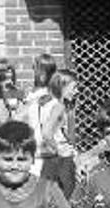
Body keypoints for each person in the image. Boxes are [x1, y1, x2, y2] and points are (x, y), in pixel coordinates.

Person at [40, 69, 79, 198]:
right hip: (62, 158)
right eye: (74, 87)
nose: (76, 91)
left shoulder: (47, 104)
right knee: (67, 197)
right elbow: (46, 133)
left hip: (50, 158)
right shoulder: (59, 106)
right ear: (62, 86)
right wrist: (59, 150)